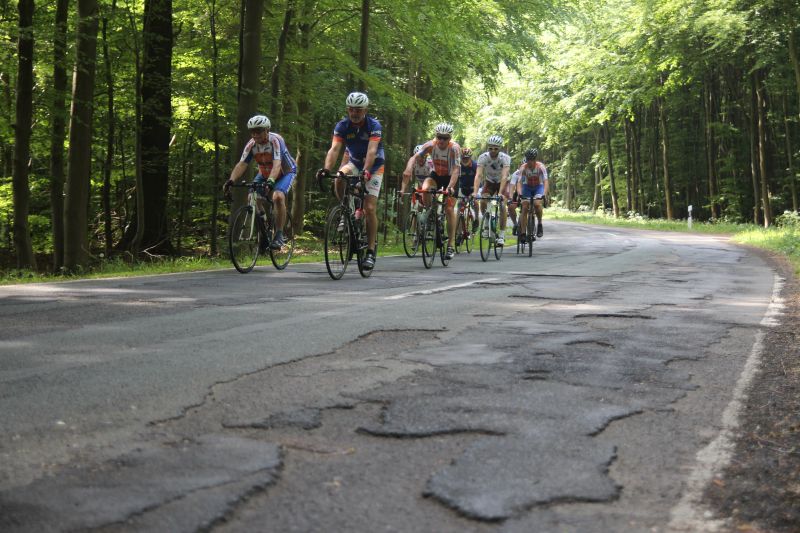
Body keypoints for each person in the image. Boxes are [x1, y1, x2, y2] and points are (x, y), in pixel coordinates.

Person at [316, 91, 385, 270]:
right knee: (339, 177)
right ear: (348, 109)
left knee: (369, 208)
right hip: (354, 162)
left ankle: (370, 252)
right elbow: (334, 149)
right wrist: (326, 169)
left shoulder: (374, 125)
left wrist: (367, 172)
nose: (355, 113)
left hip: (375, 165)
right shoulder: (342, 125)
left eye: (359, 110)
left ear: (365, 110)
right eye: (352, 110)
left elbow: (371, 151)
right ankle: (345, 209)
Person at [223, 114, 297, 250]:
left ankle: (279, 234)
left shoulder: (275, 140)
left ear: (267, 130)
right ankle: (264, 229)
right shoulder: (251, 145)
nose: (255, 134)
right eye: (252, 131)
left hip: (285, 172)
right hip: (265, 173)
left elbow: (277, 165)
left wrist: (270, 182)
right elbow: (242, 164)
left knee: (278, 196)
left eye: (258, 131)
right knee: (252, 197)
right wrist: (231, 180)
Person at [415, 123, 462, 260]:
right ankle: (430, 214)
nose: (441, 141)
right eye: (439, 137)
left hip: (451, 177)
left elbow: (455, 170)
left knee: (449, 209)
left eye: (445, 138)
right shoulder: (430, 145)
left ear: (449, 138)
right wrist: (414, 162)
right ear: (436, 137)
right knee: (425, 188)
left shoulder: (454, 148)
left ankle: (451, 245)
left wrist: (451, 186)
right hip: (436, 175)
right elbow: (417, 157)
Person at [474, 135, 511, 245]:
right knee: (483, 200)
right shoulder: (483, 157)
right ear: (488, 148)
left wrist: (500, 193)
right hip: (490, 181)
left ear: (500, 149)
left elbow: (504, 176)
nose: (493, 151)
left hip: (502, 182)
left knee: (502, 205)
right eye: (490, 148)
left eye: (496, 148)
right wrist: (475, 192)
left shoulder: (505, 158)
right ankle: (486, 224)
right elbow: (478, 175)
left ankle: (502, 235)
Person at [516, 148, 549, 241]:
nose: (529, 162)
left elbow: (546, 181)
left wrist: (544, 194)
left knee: (537, 204)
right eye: (528, 160)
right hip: (527, 187)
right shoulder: (523, 167)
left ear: (535, 159)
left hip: (538, 187)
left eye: (532, 160)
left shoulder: (541, 167)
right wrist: (519, 193)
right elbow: (519, 182)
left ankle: (539, 224)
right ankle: (523, 233)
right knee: (524, 206)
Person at [458, 148, 479, 232]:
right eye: (463, 158)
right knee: (460, 206)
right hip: (463, 189)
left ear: (470, 158)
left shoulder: (475, 166)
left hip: (473, 188)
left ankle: (476, 219)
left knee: (475, 202)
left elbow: (479, 178)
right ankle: (459, 232)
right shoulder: (458, 165)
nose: (465, 160)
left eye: (467, 158)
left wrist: (474, 192)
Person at [504, 167, 522, 235]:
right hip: (518, 194)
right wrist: (510, 197)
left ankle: (531, 224)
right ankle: (515, 224)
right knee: (510, 207)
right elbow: (512, 186)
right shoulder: (516, 173)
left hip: (529, 193)